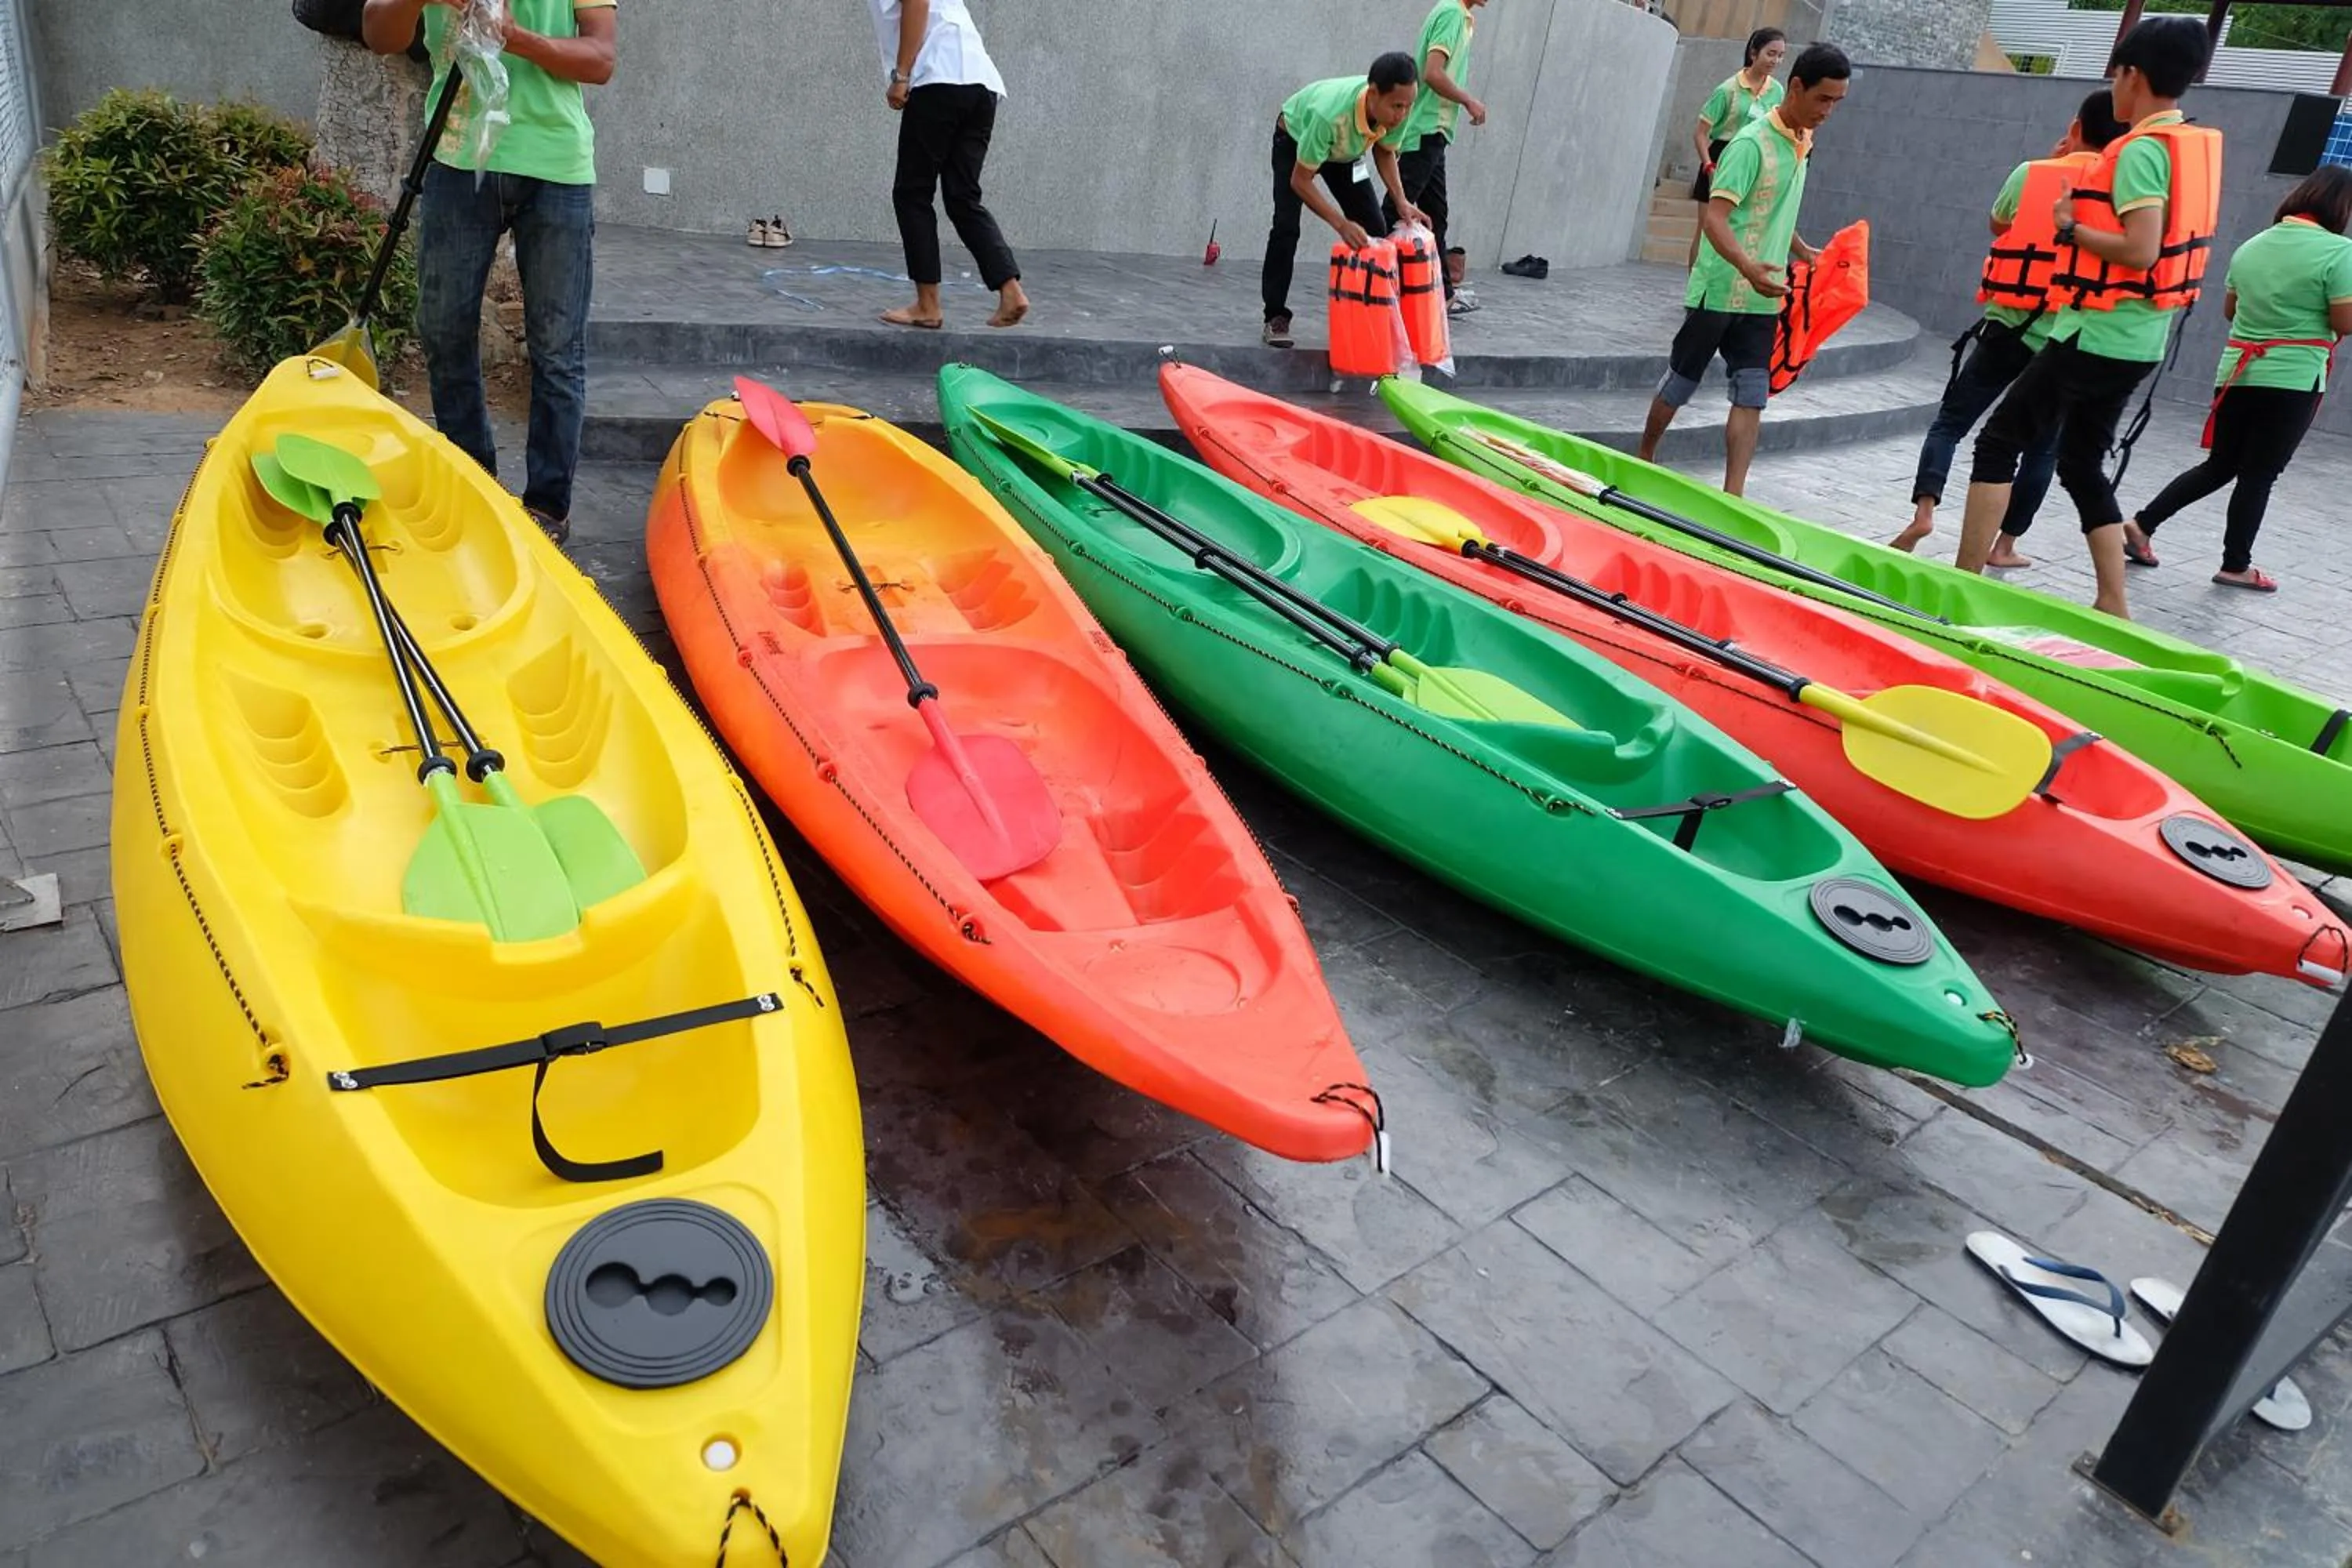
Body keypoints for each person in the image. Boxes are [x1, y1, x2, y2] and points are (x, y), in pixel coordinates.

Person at [1951, 16, 2220, 620]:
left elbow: (2142, 249)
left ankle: (1964, 582)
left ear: (2134, 76)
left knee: (1998, 442)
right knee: (2078, 461)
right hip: (2139, 339)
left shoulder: (2145, 152)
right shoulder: (2182, 145)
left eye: (2117, 75)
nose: (2114, 88)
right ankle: (2112, 599)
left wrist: (2071, 225)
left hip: (2097, 334)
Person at [361, 0, 615, 547]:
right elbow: (378, 32)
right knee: (443, 328)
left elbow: (600, 59)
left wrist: (516, 37)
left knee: (557, 346)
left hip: (557, 166)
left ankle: (548, 508)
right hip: (456, 161)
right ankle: (473, 478)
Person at [1890, 89, 2125, 564]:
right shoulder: (2117, 190)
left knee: (1951, 423)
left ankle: (1923, 513)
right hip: (2060, 343)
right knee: (2039, 450)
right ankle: (2004, 546)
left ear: (2076, 127)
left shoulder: (2031, 172)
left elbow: (2001, 225)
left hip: (2006, 327)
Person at [2120, 166, 2352, 593]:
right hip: (2292, 377)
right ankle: (2235, 565)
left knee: (2221, 464)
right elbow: (2344, 319)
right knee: (2259, 474)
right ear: (2340, 207)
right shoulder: (2340, 252)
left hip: (2238, 372)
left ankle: (2141, 525)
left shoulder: (2252, 245)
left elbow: (2231, 310)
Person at [1637, 42, 1849, 498]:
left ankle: (1735, 494)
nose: (1828, 111)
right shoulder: (1749, 145)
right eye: (1823, 99)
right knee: (1682, 379)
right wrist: (1747, 266)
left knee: (1752, 392)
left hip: (1762, 294)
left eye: (1837, 102)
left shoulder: (1803, 143)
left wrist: (1800, 248)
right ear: (1796, 87)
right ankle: (1645, 455)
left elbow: (1773, 208)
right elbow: (1715, 218)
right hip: (1721, 287)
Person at [873, 1, 1028, 331]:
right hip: (980, 84)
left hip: (938, 78)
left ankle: (928, 305)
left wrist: (901, 75)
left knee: (913, 193)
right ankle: (1010, 290)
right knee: (962, 197)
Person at [1262, 53, 1428, 349]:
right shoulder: (1331, 115)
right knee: (1287, 227)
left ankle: (1371, 318)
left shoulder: (1398, 110)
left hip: (1346, 153)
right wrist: (1340, 223)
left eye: (1408, 106)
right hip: (1297, 139)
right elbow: (1301, 181)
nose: (1402, 114)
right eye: (1397, 106)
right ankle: (1275, 315)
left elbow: (1385, 151)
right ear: (1373, 93)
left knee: (1376, 231)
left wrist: (1402, 201)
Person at [1385, 0, 1490, 318]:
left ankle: (1442, 294)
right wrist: (1469, 100)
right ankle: (1372, 282)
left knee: (1436, 215)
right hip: (1425, 129)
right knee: (1392, 211)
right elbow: (1431, 73)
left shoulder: (1458, 15)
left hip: (1435, 131)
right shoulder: (1452, 13)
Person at [1687, 29, 1787, 270]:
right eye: (1771, 54)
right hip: (1721, 157)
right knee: (1707, 229)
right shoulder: (1728, 90)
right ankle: (1694, 287)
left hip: (1755, 159)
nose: (1775, 61)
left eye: (1781, 55)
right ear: (1754, 53)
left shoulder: (1776, 91)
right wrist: (1708, 165)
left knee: (1739, 229)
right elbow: (1701, 133)